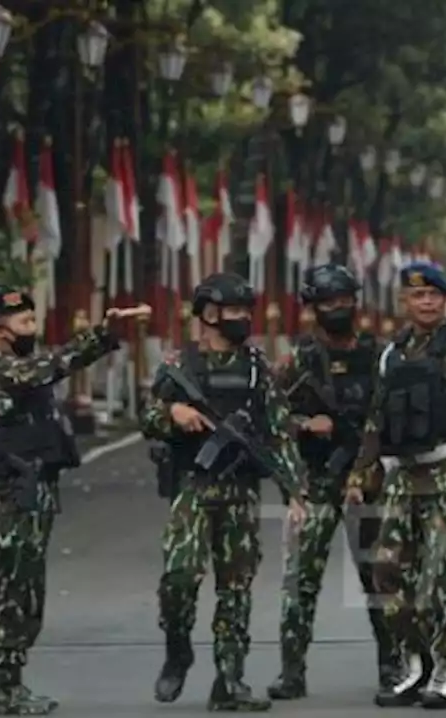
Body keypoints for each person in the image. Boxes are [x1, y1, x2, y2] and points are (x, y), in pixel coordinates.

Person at [0, 288, 145, 715]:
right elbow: (48, 367)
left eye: (33, 318)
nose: (32, 326)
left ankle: (12, 683)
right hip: (12, 495)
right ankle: (1, 687)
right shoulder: (0, 370)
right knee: (14, 593)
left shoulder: (20, 366)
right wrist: (101, 335)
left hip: (34, 492)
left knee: (29, 593)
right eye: (23, 321)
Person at [344, 262, 446, 709]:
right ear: (404, 301)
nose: (425, 303)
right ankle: (415, 662)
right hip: (403, 474)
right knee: (386, 572)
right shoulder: (391, 354)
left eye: (433, 296)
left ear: (445, 299)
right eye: (417, 296)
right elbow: (376, 419)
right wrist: (362, 475)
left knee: (445, 574)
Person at [143, 271, 309, 711]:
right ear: (209, 314)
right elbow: (148, 414)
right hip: (194, 488)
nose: (241, 319)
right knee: (179, 577)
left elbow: (279, 434)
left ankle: (230, 679)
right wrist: (173, 412)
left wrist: (295, 492)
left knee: (236, 588)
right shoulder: (181, 366)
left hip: (240, 491)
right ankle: (178, 648)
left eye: (244, 312)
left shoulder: (257, 371)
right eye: (233, 311)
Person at [266, 264, 401, 699]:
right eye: (329, 303)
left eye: (345, 301)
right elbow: (268, 419)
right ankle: (291, 671)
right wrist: (306, 425)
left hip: (369, 479)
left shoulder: (379, 356)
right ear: (313, 307)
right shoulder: (298, 360)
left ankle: (393, 666)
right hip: (317, 479)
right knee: (301, 578)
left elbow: (396, 413)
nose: (338, 309)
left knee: (380, 576)